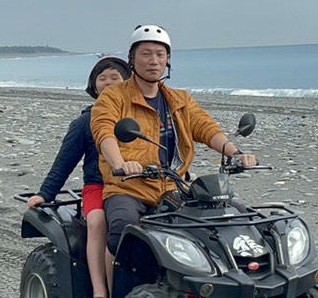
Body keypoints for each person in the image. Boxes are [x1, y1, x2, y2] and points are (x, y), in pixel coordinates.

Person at [90, 24, 257, 258]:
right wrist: (120, 164)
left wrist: (235, 153)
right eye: (146, 54)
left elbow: (205, 128)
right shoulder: (114, 96)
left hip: (172, 186)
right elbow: (104, 131)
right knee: (123, 230)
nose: (154, 61)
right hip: (128, 187)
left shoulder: (179, 99)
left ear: (167, 59)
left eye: (160, 54)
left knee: (232, 216)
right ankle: (112, 283)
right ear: (132, 58)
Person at [25, 55, 132, 298]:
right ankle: (100, 293)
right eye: (102, 78)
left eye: (115, 77)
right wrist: (45, 193)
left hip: (137, 186)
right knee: (97, 222)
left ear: (128, 82)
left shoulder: (141, 117)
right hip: (98, 187)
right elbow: (65, 161)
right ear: (93, 85)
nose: (108, 82)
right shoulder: (86, 122)